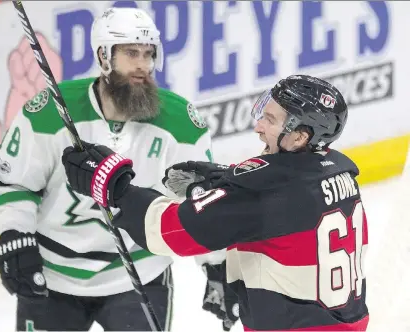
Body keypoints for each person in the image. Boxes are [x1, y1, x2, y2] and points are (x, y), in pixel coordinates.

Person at [0, 7, 234, 331]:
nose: (144, 65)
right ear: (104, 56)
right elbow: (13, 182)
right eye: (132, 53)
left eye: (149, 54)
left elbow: (199, 202)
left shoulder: (182, 124)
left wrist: (218, 269)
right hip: (53, 276)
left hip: (141, 274)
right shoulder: (50, 112)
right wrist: (15, 232)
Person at [61, 74, 370, 331]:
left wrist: (115, 186)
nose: (258, 126)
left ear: (300, 137)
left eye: (271, 120)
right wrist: (225, 179)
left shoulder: (263, 194)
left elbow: (172, 232)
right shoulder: (341, 172)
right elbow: (286, 216)